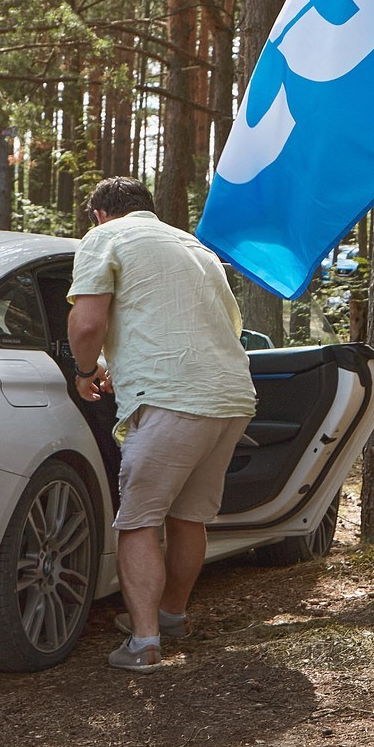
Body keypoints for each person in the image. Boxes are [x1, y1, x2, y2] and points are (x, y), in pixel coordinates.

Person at [65, 176, 257, 673]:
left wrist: (85, 372)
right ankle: (171, 616)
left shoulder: (105, 237)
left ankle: (144, 643)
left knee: (138, 521)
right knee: (189, 516)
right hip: (232, 395)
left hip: (170, 397)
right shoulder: (194, 246)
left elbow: (86, 324)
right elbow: (225, 326)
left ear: (101, 215)